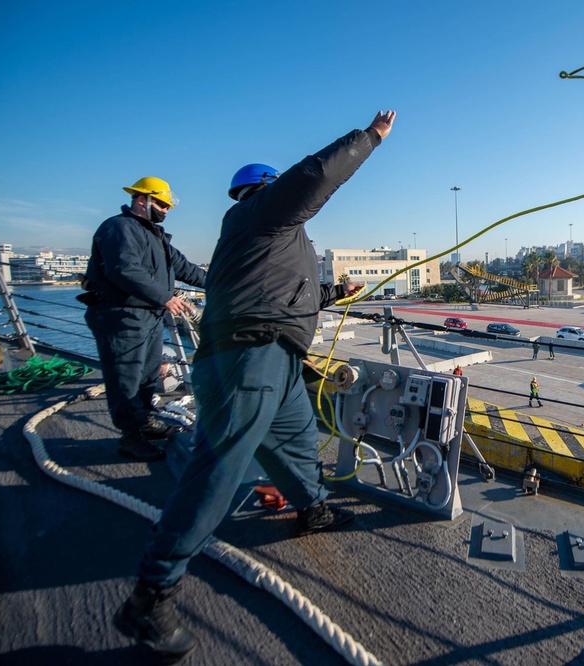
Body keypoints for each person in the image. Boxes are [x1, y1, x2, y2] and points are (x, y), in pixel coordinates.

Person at [114, 110, 396, 663]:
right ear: (262, 190)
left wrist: (334, 290)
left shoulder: (262, 240)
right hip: (248, 356)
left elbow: (282, 295)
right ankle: (152, 592)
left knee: (292, 435)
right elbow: (315, 176)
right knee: (218, 465)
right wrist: (371, 137)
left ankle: (312, 506)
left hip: (276, 355)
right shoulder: (262, 213)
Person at [83, 177, 207, 462]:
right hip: (121, 316)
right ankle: (131, 437)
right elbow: (124, 270)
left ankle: (145, 421)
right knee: (126, 377)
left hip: (147, 317)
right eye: (161, 204)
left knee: (148, 374)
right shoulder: (119, 227)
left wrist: (221, 283)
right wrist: (164, 297)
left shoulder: (155, 236)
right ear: (142, 199)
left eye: (167, 206)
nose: (165, 210)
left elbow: (186, 269)